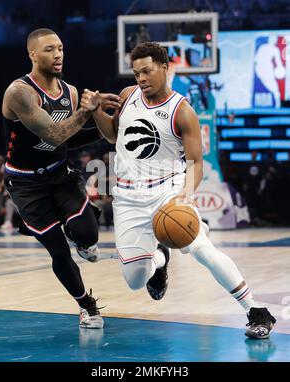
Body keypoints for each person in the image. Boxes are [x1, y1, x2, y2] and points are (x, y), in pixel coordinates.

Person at [87, 42, 276, 339]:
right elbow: (112, 135)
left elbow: (196, 163)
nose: (141, 79)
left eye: (147, 71)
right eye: (136, 73)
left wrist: (185, 195)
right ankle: (160, 259)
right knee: (135, 281)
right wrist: (96, 110)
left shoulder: (182, 111)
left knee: (202, 249)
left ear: (165, 67)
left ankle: (256, 311)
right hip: (128, 197)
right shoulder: (127, 96)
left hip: (168, 190)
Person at [2, 28, 121, 329]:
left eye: (61, 48)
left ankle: (81, 231)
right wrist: (86, 112)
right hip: (26, 184)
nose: (58, 55)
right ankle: (87, 306)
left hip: (60, 174)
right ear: (32, 54)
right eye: (49, 50)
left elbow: (68, 140)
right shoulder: (19, 92)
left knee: (88, 235)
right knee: (58, 249)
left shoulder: (69, 91)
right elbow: (54, 135)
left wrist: (105, 122)